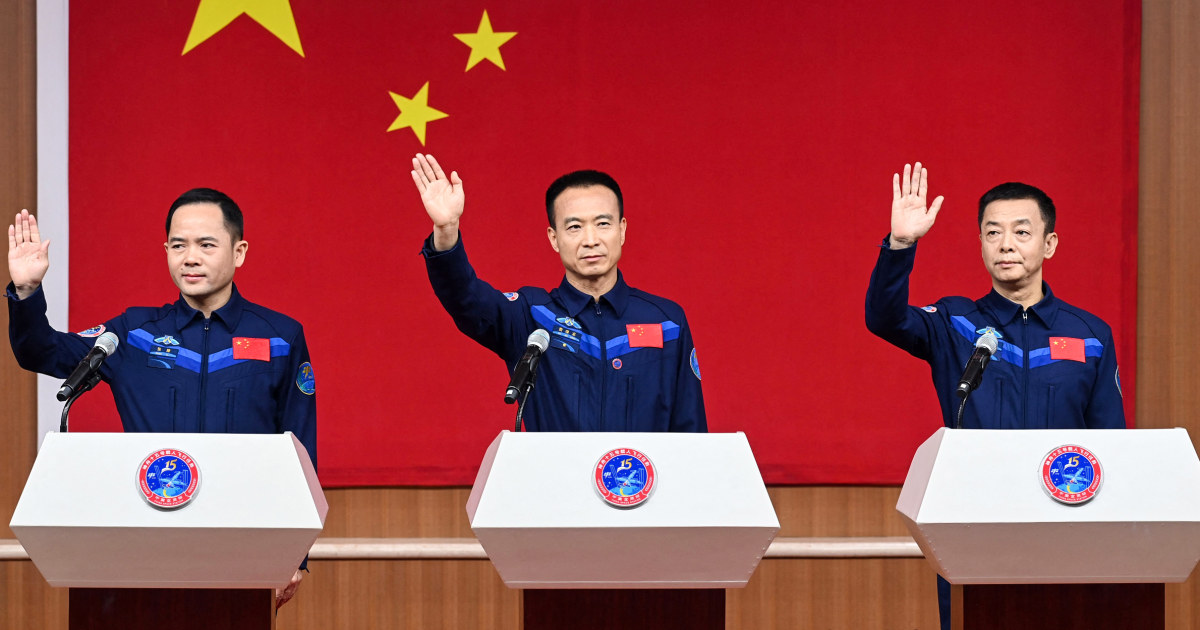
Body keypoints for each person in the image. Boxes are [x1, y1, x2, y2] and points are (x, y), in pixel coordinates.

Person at [6, 189, 316, 607]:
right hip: (139, 545)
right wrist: (26, 293)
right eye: (178, 245)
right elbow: (42, 352)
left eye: (206, 245)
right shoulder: (133, 333)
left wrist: (294, 555)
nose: (190, 257)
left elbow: (299, 452)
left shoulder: (279, 336)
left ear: (238, 252)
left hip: (240, 548)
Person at [864, 162, 1126, 629]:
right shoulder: (956, 323)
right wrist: (901, 245)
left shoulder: (1089, 336)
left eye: (1021, 232)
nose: (1006, 244)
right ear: (981, 244)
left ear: (1049, 245)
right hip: (972, 522)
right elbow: (884, 318)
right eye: (992, 232)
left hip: (1065, 525)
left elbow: (1112, 443)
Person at [412, 153, 705, 432]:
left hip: (643, 483)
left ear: (622, 230)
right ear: (554, 238)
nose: (591, 240)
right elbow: (466, 298)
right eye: (574, 227)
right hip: (554, 483)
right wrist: (447, 229)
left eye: (603, 224)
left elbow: (691, 430)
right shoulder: (532, 316)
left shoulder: (667, 322)